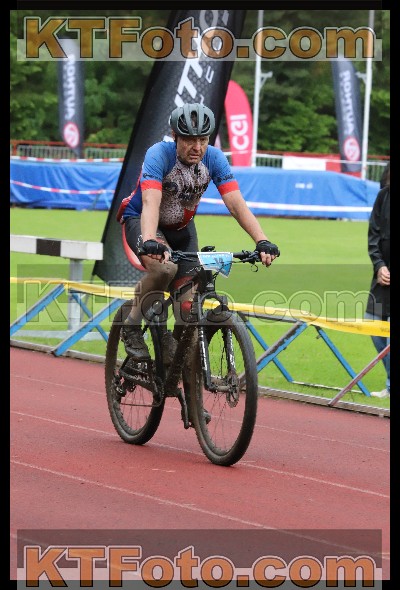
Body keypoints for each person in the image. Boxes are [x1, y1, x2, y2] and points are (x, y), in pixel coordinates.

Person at [116, 102, 280, 360]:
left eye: (203, 140)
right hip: (144, 221)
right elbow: (150, 201)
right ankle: (131, 325)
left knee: (187, 307)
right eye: (190, 140)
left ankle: (175, 359)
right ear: (175, 137)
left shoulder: (214, 158)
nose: (197, 147)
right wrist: (149, 239)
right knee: (165, 270)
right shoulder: (159, 155)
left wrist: (262, 240)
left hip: (182, 229)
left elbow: (235, 203)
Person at [365, 161, 390, 398]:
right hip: (382, 278)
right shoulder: (383, 196)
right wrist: (379, 265)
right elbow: (373, 234)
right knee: (373, 325)